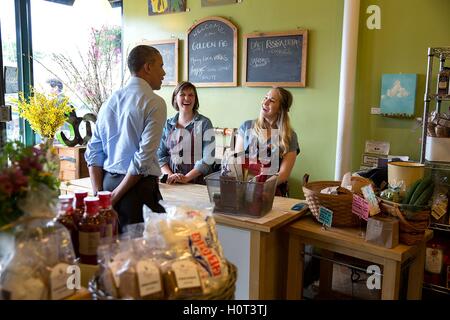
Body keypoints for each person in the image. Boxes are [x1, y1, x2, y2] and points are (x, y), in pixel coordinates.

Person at [85, 45, 167, 231]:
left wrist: (100, 194)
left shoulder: (109, 101)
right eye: (161, 66)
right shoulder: (154, 102)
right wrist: (114, 197)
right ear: (147, 67)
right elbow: (142, 158)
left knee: (111, 251)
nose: (164, 72)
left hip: (107, 184)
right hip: (135, 191)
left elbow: (93, 151)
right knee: (142, 256)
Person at [235, 87, 300, 197]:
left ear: (281, 109)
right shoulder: (246, 127)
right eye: (265, 97)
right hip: (243, 188)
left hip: (270, 193)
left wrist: (260, 187)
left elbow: (283, 174)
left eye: (272, 100)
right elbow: (237, 162)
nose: (265, 102)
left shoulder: (289, 136)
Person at [157, 81, 215, 184]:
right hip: (172, 183)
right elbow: (160, 156)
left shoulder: (205, 123)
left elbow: (208, 158)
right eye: (182, 94)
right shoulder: (168, 124)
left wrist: (186, 178)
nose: (187, 98)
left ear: (195, 99)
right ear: (175, 98)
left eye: (191, 95)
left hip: (198, 184)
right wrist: (171, 176)